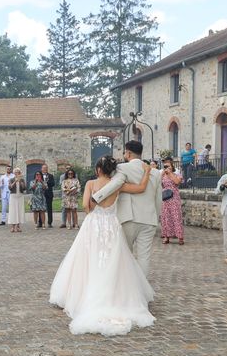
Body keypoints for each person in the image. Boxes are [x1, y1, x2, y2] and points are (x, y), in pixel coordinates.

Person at [50, 155, 155, 336]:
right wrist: (146, 171)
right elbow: (141, 188)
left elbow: (86, 206)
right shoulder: (117, 184)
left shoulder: (91, 184)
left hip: (94, 225)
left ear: (98, 169)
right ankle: (114, 294)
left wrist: (93, 205)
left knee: (88, 258)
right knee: (112, 260)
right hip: (111, 226)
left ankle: (85, 294)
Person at [91, 141, 163, 277]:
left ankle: (127, 287)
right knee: (144, 257)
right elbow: (158, 198)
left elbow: (116, 183)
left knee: (126, 254)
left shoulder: (122, 168)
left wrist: (97, 197)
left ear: (128, 153)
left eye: (125, 152)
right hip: (149, 219)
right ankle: (141, 290)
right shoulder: (155, 173)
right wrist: (155, 216)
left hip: (128, 217)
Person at [160, 157, 185, 245]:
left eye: (168, 165)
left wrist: (170, 173)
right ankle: (166, 237)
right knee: (166, 217)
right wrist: (163, 173)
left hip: (174, 198)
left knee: (176, 217)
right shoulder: (163, 175)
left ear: (172, 166)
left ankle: (180, 237)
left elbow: (177, 182)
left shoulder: (176, 174)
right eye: (165, 166)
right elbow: (158, 183)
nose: (166, 167)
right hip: (165, 198)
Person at [7, 167, 27, 232]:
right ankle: (13, 227)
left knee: (19, 211)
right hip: (13, 197)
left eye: (18, 172)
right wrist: (15, 181)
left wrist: (20, 182)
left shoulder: (22, 180)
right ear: (14, 173)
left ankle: (18, 226)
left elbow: (24, 188)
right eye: (15, 172)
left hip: (20, 197)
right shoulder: (11, 179)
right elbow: (10, 187)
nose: (17, 173)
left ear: (19, 173)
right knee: (13, 211)